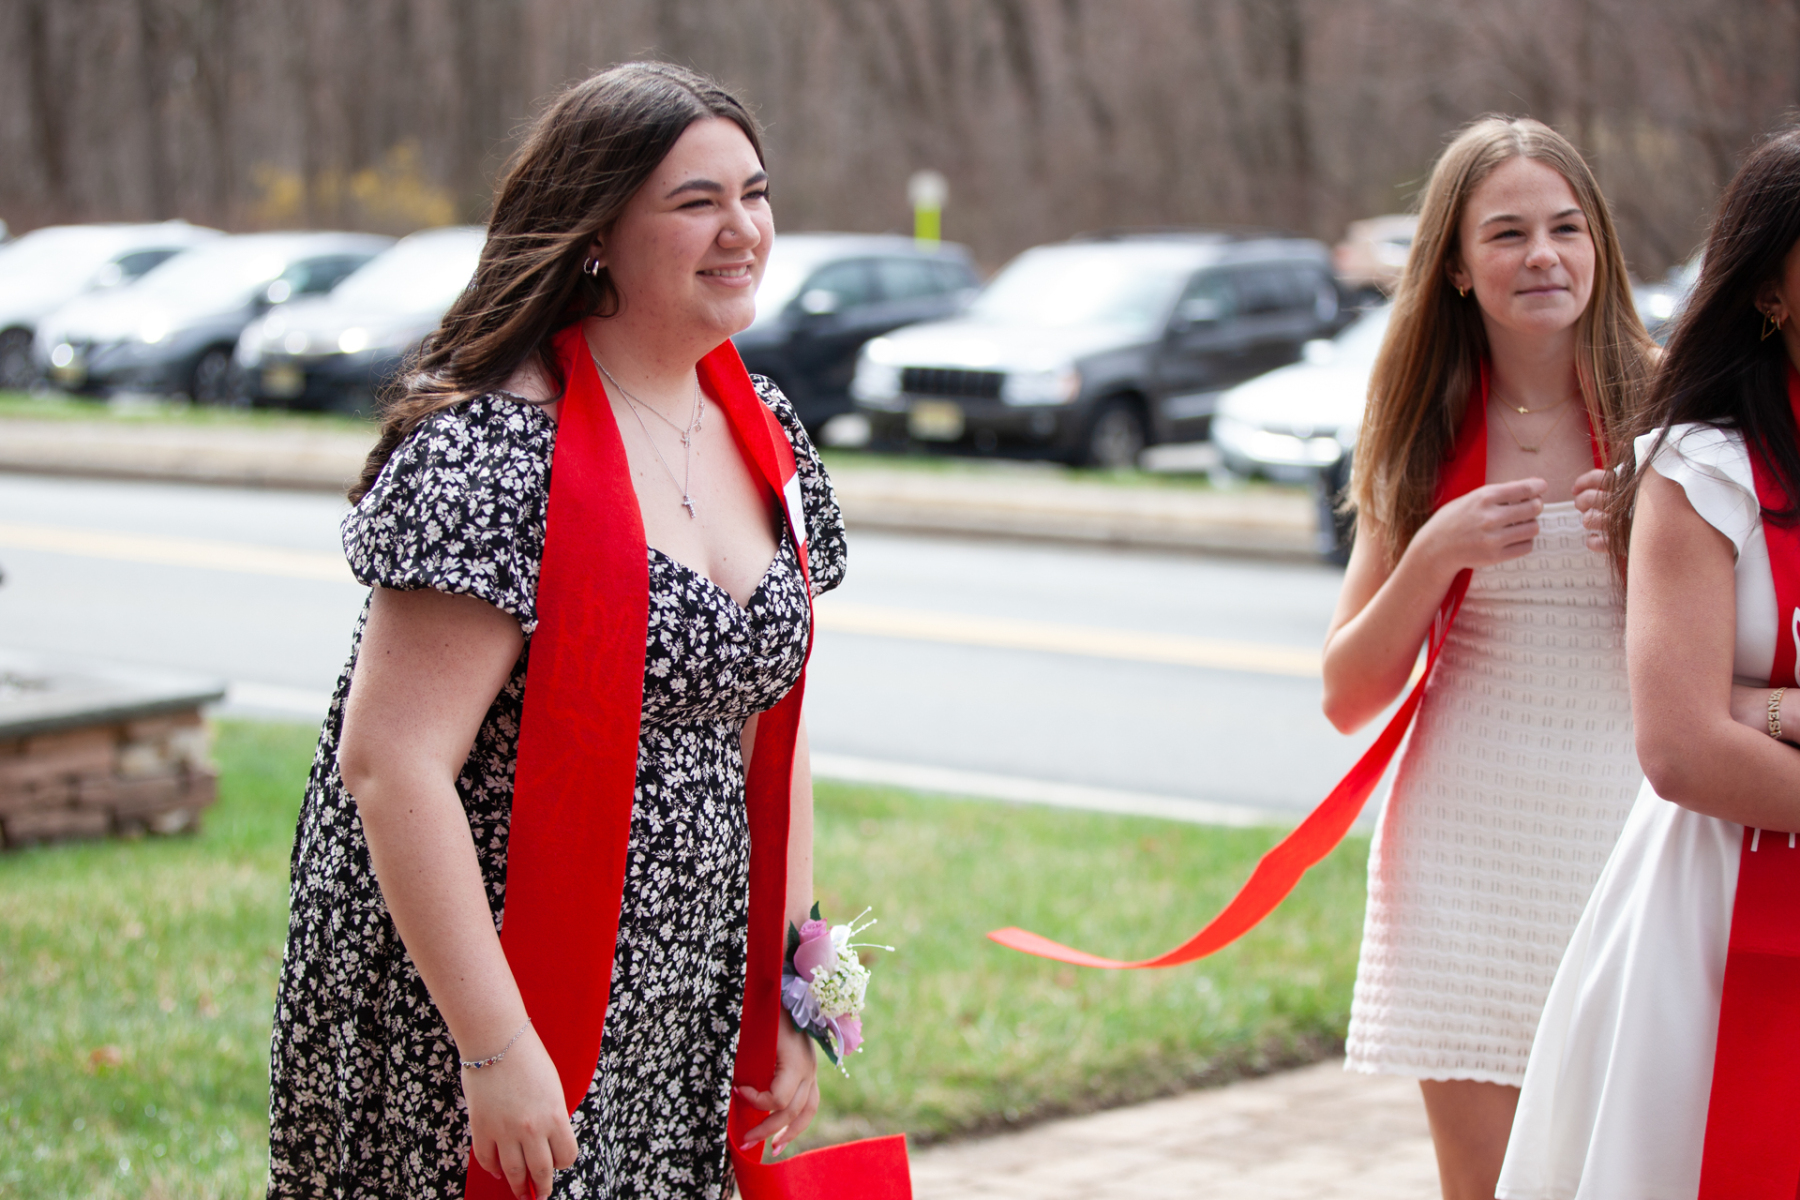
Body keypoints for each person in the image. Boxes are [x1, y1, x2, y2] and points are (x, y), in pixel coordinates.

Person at [266, 63, 847, 1200]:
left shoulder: (762, 426)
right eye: (696, 202)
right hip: (489, 995)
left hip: (680, 998)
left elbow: (774, 730)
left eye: (755, 193)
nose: (743, 230)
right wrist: (495, 1046)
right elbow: (392, 762)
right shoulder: (494, 452)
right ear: (595, 236)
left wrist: (794, 995)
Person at [1321, 117, 1656, 1200]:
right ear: (1459, 267)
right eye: (1507, 233)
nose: (1542, 255)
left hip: (1633, 846)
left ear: (1599, 245)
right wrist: (1433, 551)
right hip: (1465, 862)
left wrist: (1649, 541)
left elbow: (1742, 646)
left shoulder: (1670, 409)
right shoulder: (1422, 424)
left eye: (1566, 227)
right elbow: (1347, 694)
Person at [1498, 127, 1800, 1200]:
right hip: (1718, 911)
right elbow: (1679, 747)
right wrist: (1750, 711)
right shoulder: (1704, 465)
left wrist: (1755, 703)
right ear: (1769, 294)